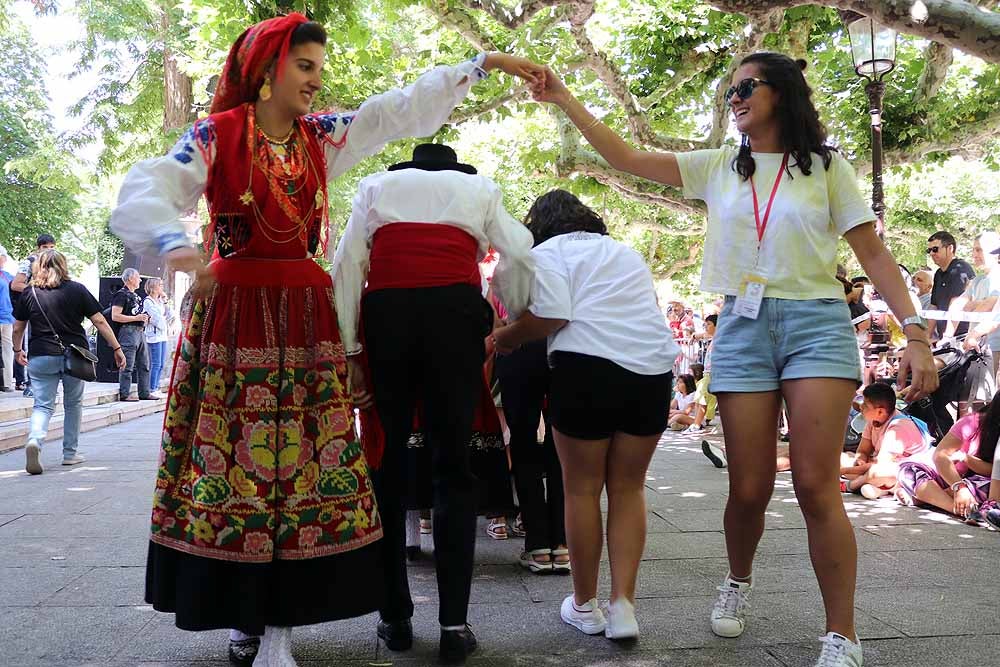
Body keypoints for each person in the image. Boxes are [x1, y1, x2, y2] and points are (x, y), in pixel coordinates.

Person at [110, 12, 545, 667]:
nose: (317, 80)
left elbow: (394, 112)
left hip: (305, 320)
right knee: (234, 468)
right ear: (265, 73)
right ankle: (246, 619)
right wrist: (176, 245)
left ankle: (282, 625)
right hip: (235, 317)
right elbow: (147, 188)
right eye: (304, 66)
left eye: (319, 67)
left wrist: (479, 67)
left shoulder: (323, 139)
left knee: (299, 469)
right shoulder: (213, 136)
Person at [530, 52, 937, 666]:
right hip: (743, 329)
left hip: (815, 325)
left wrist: (915, 332)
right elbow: (625, 159)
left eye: (746, 86)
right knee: (747, 487)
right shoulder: (720, 165)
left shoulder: (827, 167)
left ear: (783, 92)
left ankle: (842, 634)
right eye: (730, 91)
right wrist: (564, 98)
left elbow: (874, 255)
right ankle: (738, 581)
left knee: (813, 484)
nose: (735, 98)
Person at [332, 142, 534, 664]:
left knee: (388, 464)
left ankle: (394, 617)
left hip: (389, 317)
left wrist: (352, 347)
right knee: (453, 466)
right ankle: (453, 624)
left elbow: (349, 265)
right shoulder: (478, 186)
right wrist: (511, 312)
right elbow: (520, 249)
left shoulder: (377, 186)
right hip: (455, 315)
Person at [493, 189, 678, 641]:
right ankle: (624, 607)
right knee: (629, 488)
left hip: (585, 368)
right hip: (652, 370)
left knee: (581, 490)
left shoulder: (546, 253)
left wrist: (506, 338)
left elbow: (551, 316)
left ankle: (585, 604)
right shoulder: (625, 252)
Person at [12, 250, 126, 474]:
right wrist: (116, 348)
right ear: (63, 266)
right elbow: (100, 321)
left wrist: (18, 349)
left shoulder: (30, 292)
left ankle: (35, 440)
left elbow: (18, 327)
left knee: (43, 404)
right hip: (74, 356)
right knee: (73, 404)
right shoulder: (77, 289)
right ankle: (70, 454)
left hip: (40, 354)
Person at [897, 390, 999, 521]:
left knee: (989, 485)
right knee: (908, 471)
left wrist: (966, 459)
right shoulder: (971, 422)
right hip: (943, 475)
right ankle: (959, 509)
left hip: (975, 483)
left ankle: (927, 497)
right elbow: (940, 455)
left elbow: (994, 472)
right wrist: (959, 487)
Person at [840, 382, 929, 499]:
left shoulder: (898, 427)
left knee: (878, 472)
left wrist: (843, 471)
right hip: (875, 465)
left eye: (865, 405)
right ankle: (879, 488)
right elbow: (863, 450)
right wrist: (860, 459)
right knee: (842, 458)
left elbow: (881, 465)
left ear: (880, 411)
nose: (861, 408)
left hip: (902, 472)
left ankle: (850, 486)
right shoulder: (873, 419)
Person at [111, 268, 153, 402]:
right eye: (138, 277)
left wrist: (144, 318)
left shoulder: (136, 296)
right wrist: (136, 318)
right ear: (130, 279)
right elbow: (115, 316)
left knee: (145, 364)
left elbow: (136, 314)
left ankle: (144, 392)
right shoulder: (121, 295)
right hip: (128, 332)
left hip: (140, 332)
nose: (140, 280)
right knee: (127, 364)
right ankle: (125, 393)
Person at [927, 231, 976, 338]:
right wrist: (926, 337)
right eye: (929, 250)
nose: (931, 253)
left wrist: (947, 337)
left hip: (960, 338)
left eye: (935, 249)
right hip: (944, 337)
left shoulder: (960, 269)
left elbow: (958, 304)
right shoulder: (938, 274)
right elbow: (934, 306)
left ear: (950, 249)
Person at [142, 277, 170, 397]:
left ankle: (156, 386)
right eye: (160, 285)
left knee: (162, 363)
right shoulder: (148, 301)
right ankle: (152, 388)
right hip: (154, 335)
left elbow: (168, 314)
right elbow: (156, 318)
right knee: (156, 363)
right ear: (153, 287)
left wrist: (165, 300)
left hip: (163, 335)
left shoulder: (159, 301)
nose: (162, 287)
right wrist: (165, 323)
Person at [0, 246, 15, 391]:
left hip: (7, 318)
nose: (4, 259)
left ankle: (7, 382)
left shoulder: (7, 275)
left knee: (8, 350)